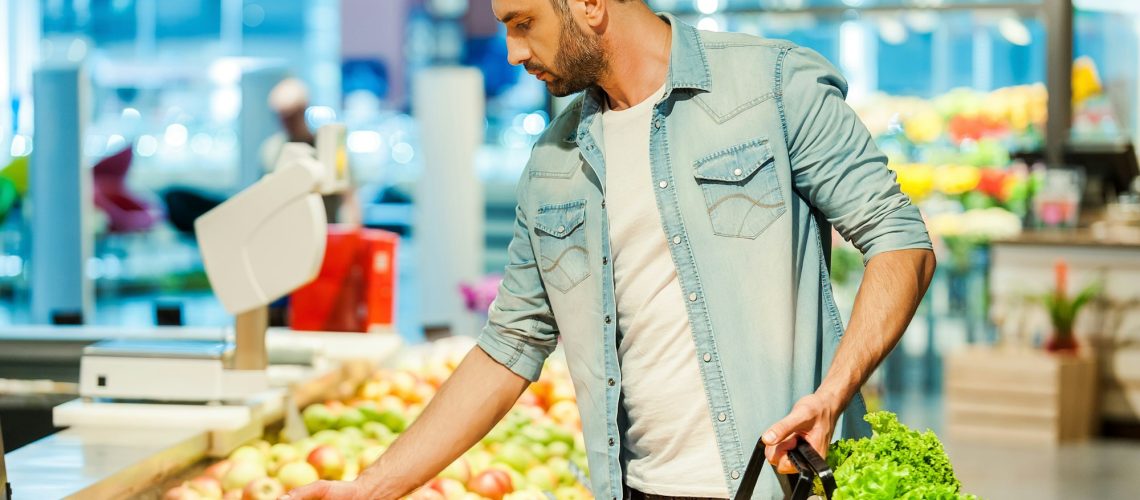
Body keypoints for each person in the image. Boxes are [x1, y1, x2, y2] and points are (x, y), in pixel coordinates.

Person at [285, 0, 935, 498]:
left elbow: (899, 240)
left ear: (592, 4)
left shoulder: (771, 86)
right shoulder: (552, 164)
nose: (512, 52)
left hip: (781, 484)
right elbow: (508, 347)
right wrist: (368, 487)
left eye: (523, 23)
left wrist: (831, 394)